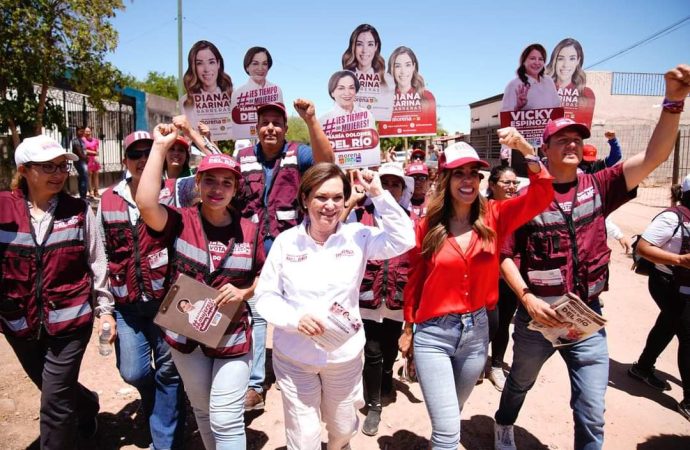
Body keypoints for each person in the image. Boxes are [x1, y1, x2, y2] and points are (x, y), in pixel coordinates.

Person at [493, 64, 690, 450]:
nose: (571, 145)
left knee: (590, 409)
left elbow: (653, 157)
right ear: (544, 150)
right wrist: (527, 298)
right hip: (537, 318)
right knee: (519, 381)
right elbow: (505, 255)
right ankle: (503, 422)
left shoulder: (601, 185)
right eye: (561, 140)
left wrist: (674, 103)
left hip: (587, 319)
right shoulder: (525, 200)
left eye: (576, 139)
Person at [398, 135, 554, 450]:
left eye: (473, 173)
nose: (468, 180)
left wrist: (528, 153)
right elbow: (414, 279)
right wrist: (408, 326)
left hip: (476, 334)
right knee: (447, 437)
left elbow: (542, 195)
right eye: (459, 173)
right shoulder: (426, 226)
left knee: (452, 415)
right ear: (445, 178)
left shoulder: (495, 215)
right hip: (433, 335)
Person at [254, 163, 415, 450]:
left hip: (343, 357)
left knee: (342, 428)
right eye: (321, 197)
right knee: (304, 437)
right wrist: (294, 319)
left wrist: (378, 193)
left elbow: (405, 239)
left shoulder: (358, 236)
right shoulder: (285, 242)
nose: (330, 205)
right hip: (295, 358)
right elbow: (266, 296)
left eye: (337, 198)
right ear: (305, 200)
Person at [137, 125, 264, 450]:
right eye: (210, 180)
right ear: (197, 184)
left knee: (225, 417)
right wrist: (160, 146)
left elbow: (266, 276)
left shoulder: (250, 230)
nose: (217, 189)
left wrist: (245, 292)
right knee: (203, 412)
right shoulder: (179, 221)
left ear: (236, 188)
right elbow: (146, 203)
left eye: (226, 182)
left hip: (232, 337)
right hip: (185, 339)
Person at [1, 135, 115, 449]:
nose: (58, 173)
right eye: (47, 167)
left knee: (54, 404)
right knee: (52, 386)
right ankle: (88, 405)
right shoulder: (2, 208)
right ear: (24, 170)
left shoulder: (78, 210)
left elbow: (97, 260)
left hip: (71, 323)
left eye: (62, 166)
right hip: (18, 322)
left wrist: (105, 310)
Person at [235, 99, 335, 411]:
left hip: (291, 248)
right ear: (256, 128)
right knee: (257, 312)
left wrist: (311, 120)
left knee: (302, 310)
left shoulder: (298, 152)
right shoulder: (242, 156)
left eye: (276, 123)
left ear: (284, 127)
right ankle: (255, 384)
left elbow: (327, 162)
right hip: (251, 249)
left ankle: (316, 368)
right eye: (264, 122)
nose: (270, 128)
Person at [97, 131, 186, 450]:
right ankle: (158, 403)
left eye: (150, 153)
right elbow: (101, 253)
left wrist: (194, 136)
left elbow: (214, 175)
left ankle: (165, 441)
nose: (143, 160)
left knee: (168, 373)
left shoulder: (176, 192)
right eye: (136, 154)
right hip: (127, 307)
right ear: (125, 161)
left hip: (167, 302)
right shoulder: (107, 199)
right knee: (133, 373)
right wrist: (104, 308)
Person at [350, 162, 414, 436]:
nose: (388, 189)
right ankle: (373, 404)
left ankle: (386, 377)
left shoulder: (411, 222)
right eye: (383, 182)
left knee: (389, 350)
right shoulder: (357, 216)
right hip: (366, 302)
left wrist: (411, 323)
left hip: (397, 302)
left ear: (402, 191)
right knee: (372, 352)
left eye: (395, 184)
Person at [628, 174, 690, 421]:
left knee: (668, 324)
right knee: (687, 335)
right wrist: (678, 260)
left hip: (685, 286)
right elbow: (643, 247)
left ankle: (642, 368)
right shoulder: (671, 217)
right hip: (667, 284)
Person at [484, 165, 521, 391]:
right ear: (492, 185)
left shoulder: (520, 208)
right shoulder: (480, 209)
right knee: (488, 323)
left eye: (514, 182)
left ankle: (496, 365)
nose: (511, 187)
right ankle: (477, 361)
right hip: (486, 277)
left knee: (504, 323)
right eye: (506, 182)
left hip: (511, 278)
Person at [180, 40, 234, 139]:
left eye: (211, 62)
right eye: (199, 63)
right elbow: (189, 138)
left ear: (218, 64)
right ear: (193, 67)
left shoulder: (233, 97)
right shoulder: (187, 102)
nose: (206, 69)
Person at [341, 24, 395, 121]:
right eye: (359, 44)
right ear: (353, 47)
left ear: (376, 47)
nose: (364, 50)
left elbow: (387, 115)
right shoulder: (343, 79)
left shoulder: (388, 81)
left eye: (370, 44)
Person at [230, 47, 284, 139]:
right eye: (255, 63)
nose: (260, 68)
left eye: (265, 64)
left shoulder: (276, 90)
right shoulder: (237, 94)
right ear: (247, 67)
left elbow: (280, 120)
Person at [545, 38, 596, 126]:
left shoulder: (587, 95)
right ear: (555, 61)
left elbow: (583, 130)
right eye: (560, 59)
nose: (565, 65)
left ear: (578, 61)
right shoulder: (542, 91)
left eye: (572, 59)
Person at [501, 43, 561, 112]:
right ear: (523, 61)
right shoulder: (513, 85)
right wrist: (518, 108)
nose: (537, 62)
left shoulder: (549, 81)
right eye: (532, 58)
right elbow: (505, 118)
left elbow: (557, 108)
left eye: (541, 59)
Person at [71, 126, 89, 199]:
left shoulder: (82, 140)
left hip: (83, 161)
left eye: (83, 131)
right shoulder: (75, 141)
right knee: (83, 178)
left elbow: (84, 151)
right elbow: (79, 152)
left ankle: (83, 195)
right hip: (80, 162)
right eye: (80, 131)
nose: (82, 133)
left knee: (82, 178)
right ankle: (83, 196)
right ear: (77, 132)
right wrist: (85, 158)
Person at [83, 126, 101, 198]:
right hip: (87, 159)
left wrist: (95, 153)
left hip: (94, 159)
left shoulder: (95, 140)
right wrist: (94, 152)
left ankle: (96, 191)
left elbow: (98, 151)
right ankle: (90, 191)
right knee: (89, 175)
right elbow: (84, 151)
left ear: (91, 132)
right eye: (86, 131)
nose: (87, 133)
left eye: (88, 131)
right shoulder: (83, 140)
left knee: (96, 174)